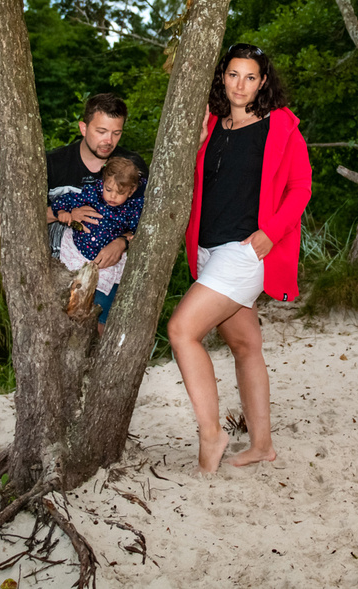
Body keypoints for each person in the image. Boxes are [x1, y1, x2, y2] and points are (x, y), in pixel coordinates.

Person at [168, 43, 311, 473]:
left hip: (245, 252)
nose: (240, 85)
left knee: (181, 330)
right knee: (245, 344)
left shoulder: (280, 126)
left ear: (262, 81)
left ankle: (212, 435)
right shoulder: (210, 124)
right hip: (210, 249)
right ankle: (262, 445)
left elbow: (300, 187)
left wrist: (271, 233)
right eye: (233, 75)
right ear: (222, 77)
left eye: (250, 77)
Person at [46, 93, 148, 323]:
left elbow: (148, 219)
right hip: (57, 271)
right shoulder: (53, 164)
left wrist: (122, 241)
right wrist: (67, 215)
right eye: (101, 131)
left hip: (110, 271)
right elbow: (24, 217)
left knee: (101, 330)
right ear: (83, 128)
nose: (108, 141)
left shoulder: (132, 168)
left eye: (116, 133)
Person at [51, 156, 145, 322]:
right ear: (103, 183)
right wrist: (62, 212)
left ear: (130, 191)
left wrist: (130, 237)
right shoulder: (92, 194)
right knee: (69, 295)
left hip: (105, 260)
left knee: (100, 307)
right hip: (78, 250)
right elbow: (65, 201)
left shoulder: (131, 209)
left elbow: (137, 229)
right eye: (108, 189)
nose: (112, 196)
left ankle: (99, 329)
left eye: (120, 193)